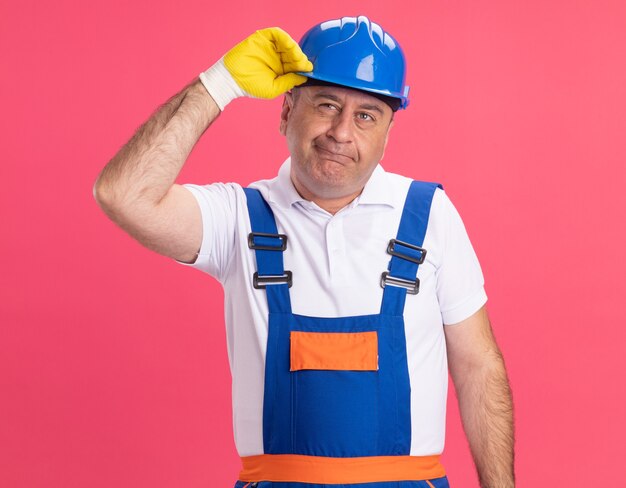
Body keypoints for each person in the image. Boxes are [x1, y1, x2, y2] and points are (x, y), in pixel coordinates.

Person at [94, 15, 514, 488]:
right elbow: (122, 194)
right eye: (327, 104)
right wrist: (221, 82)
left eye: (365, 115)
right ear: (285, 110)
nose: (340, 132)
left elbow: (479, 366)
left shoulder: (428, 214)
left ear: (387, 133)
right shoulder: (238, 219)